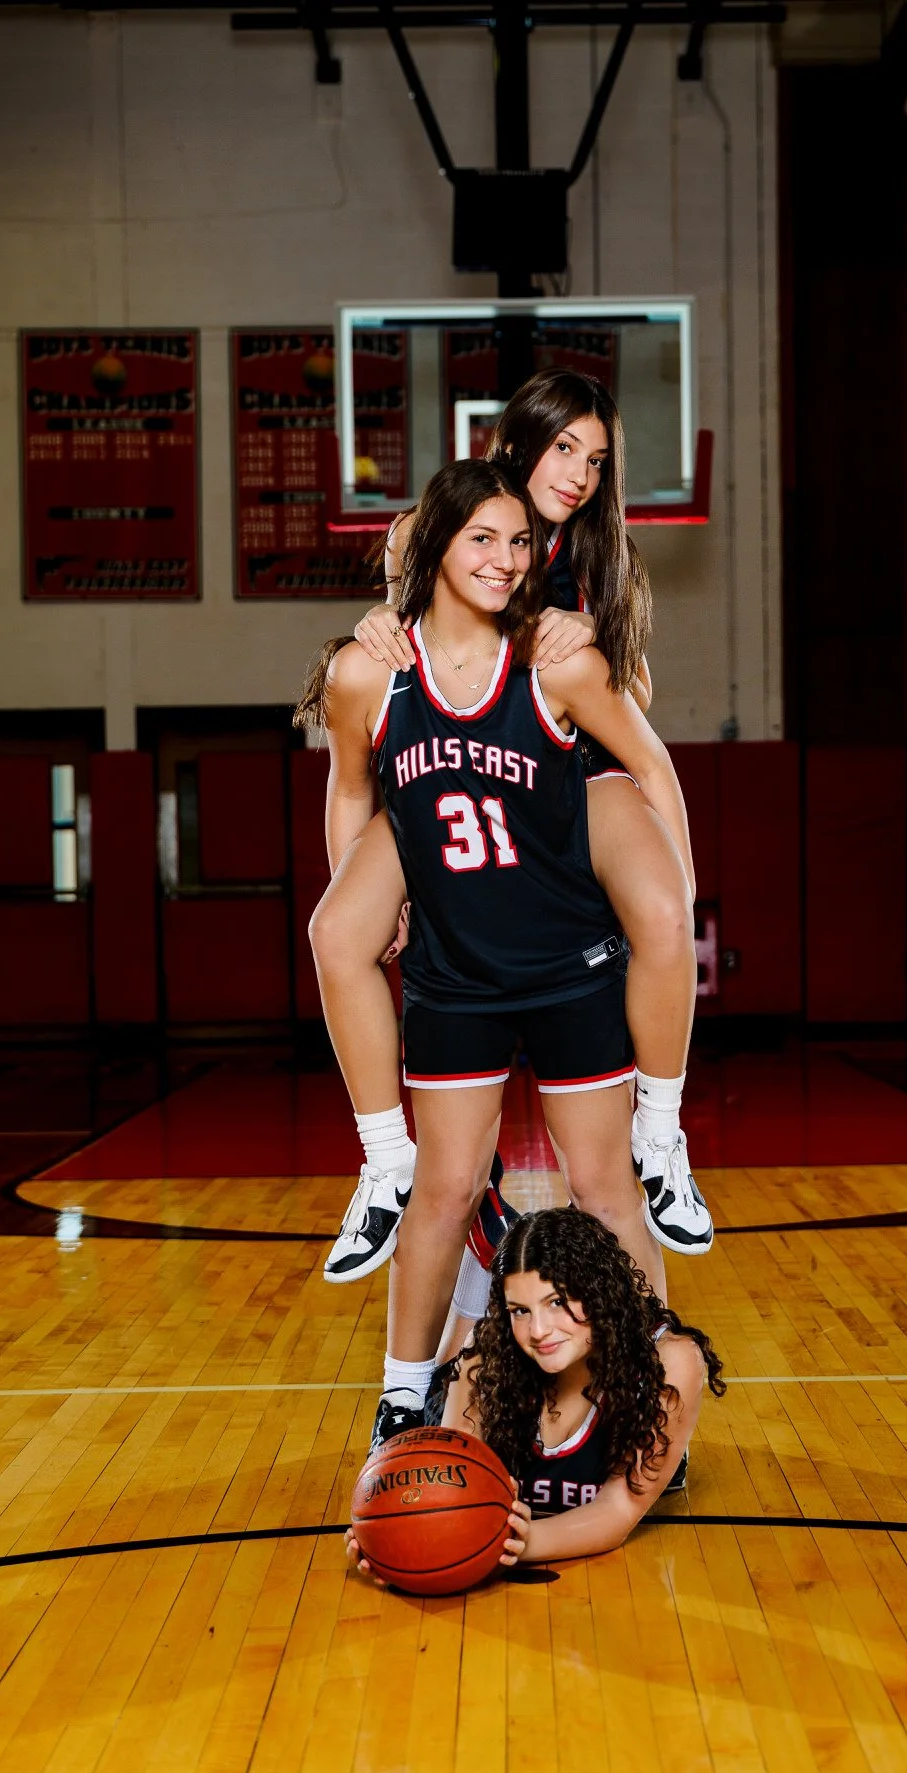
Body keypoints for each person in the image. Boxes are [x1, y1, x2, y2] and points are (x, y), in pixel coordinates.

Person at [296, 457, 692, 1452]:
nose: (506, 560)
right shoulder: (367, 673)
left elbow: (643, 755)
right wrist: (365, 885)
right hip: (455, 970)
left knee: (604, 1188)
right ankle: (401, 1392)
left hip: (569, 961)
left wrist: (670, 882)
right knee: (441, 1186)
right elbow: (350, 786)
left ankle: (648, 1399)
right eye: (481, 538)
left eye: (519, 543)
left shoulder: (556, 660)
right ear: (431, 546)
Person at [345, 1207, 726, 1575]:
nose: (539, 1330)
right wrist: (392, 1539)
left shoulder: (669, 1362)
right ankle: (479, 1245)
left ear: (599, 1292)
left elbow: (619, 1508)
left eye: (557, 1302)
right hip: (464, 1389)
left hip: (632, 1386)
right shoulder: (491, 1357)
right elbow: (449, 1483)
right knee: (453, 1365)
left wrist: (513, 1542)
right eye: (520, 1310)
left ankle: (485, 1230)